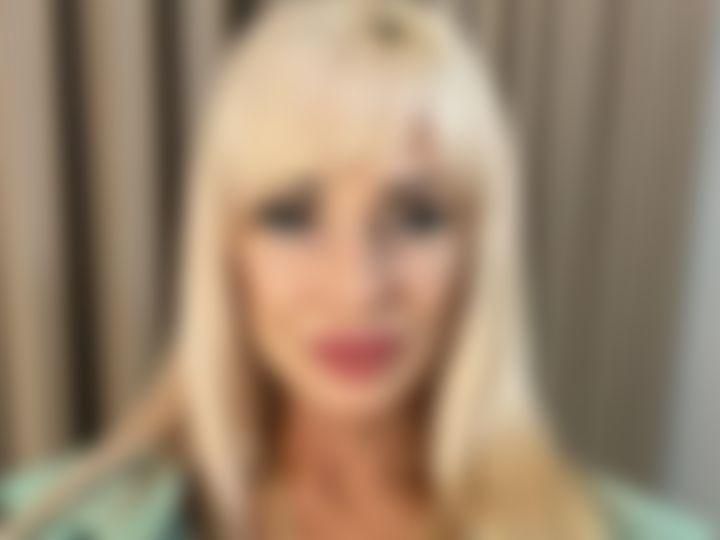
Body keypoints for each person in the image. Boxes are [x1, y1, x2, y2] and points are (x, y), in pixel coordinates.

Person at [0, 1, 710, 538]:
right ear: (226, 248)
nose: (356, 288)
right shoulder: (43, 521)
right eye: (290, 215)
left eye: (418, 216)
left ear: (478, 251)